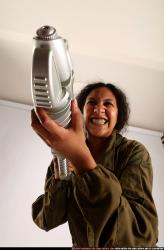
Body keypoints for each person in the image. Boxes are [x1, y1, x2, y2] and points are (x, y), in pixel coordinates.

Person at [31, 82, 158, 247]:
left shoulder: (133, 152)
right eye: (91, 103)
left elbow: (139, 233)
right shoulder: (63, 158)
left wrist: (82, 161)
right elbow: (47, 220)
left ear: (119, 115)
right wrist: (59, 180)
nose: (99, 109)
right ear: (80, 112)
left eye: (108, 104)